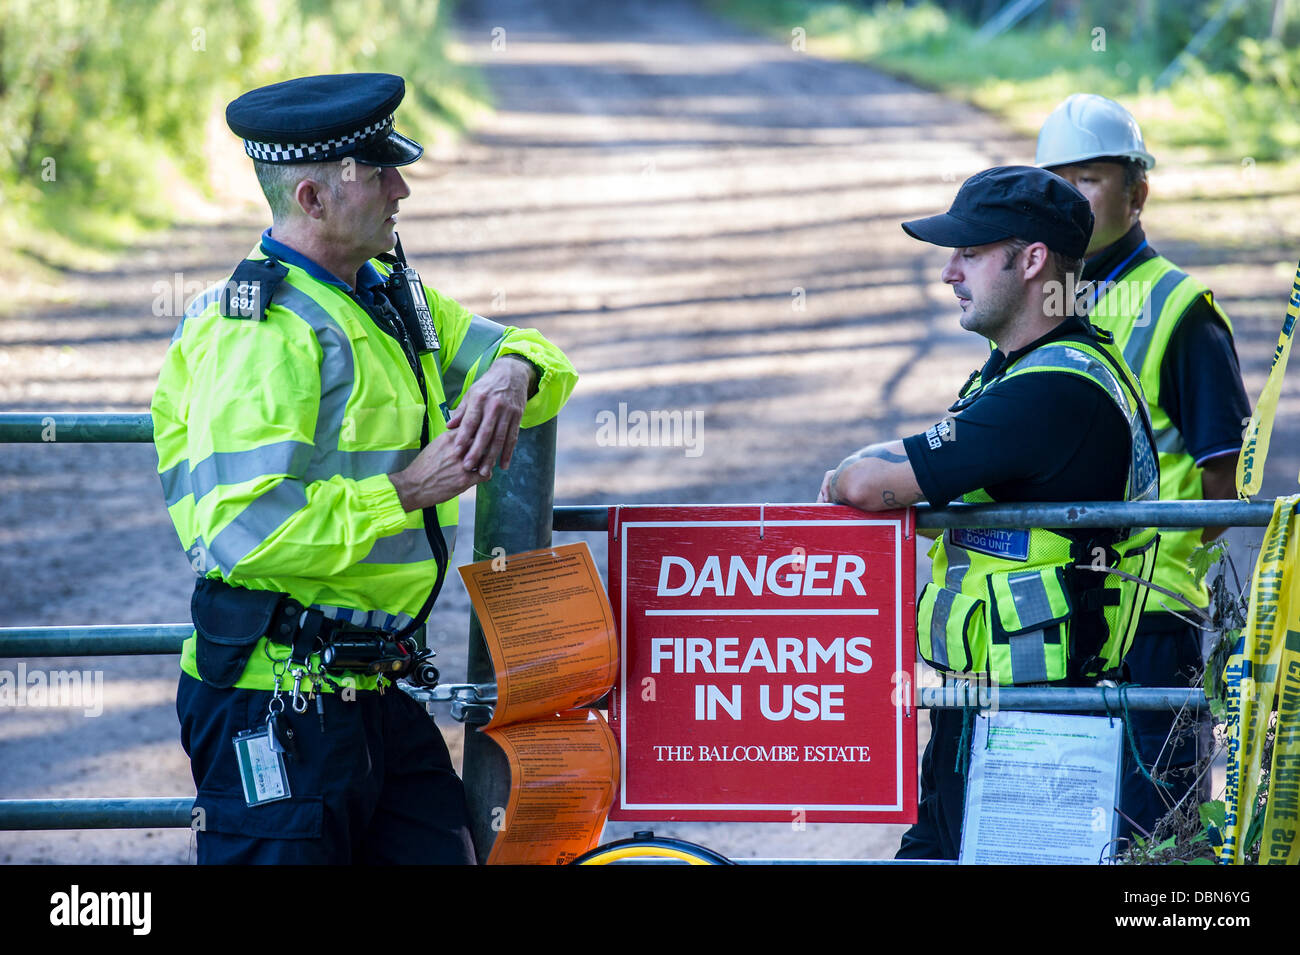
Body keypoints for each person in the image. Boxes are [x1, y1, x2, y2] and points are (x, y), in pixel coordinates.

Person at [150, 73, 577, 864]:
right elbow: (244, 532)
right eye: (380, 173)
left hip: (374, 695)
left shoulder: (389, 296)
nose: (402, 188)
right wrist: (408, 490)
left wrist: (512, 373)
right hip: (274, 698)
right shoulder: (260, 334)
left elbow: (541, 357)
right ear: (312, 198)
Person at [818, 165, 1160, 860]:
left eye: (969, 253)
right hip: (994, 707)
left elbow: (868, 483)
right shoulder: (1027, 370)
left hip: (1038, 724)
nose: (949, 272)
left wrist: (855, 472)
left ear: (1033, 260)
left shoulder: (1052, 390)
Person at [1036, 94, 1251, 840]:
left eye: (1088, 180)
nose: (1069, 198)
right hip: (1049, 614)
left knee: (1154, 837)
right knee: (1056, 830)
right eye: (1055, 182)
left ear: (1138, 192)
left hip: (1150, 617)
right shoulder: (1042, 301)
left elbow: (1225, 483)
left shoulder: (1180, 308)